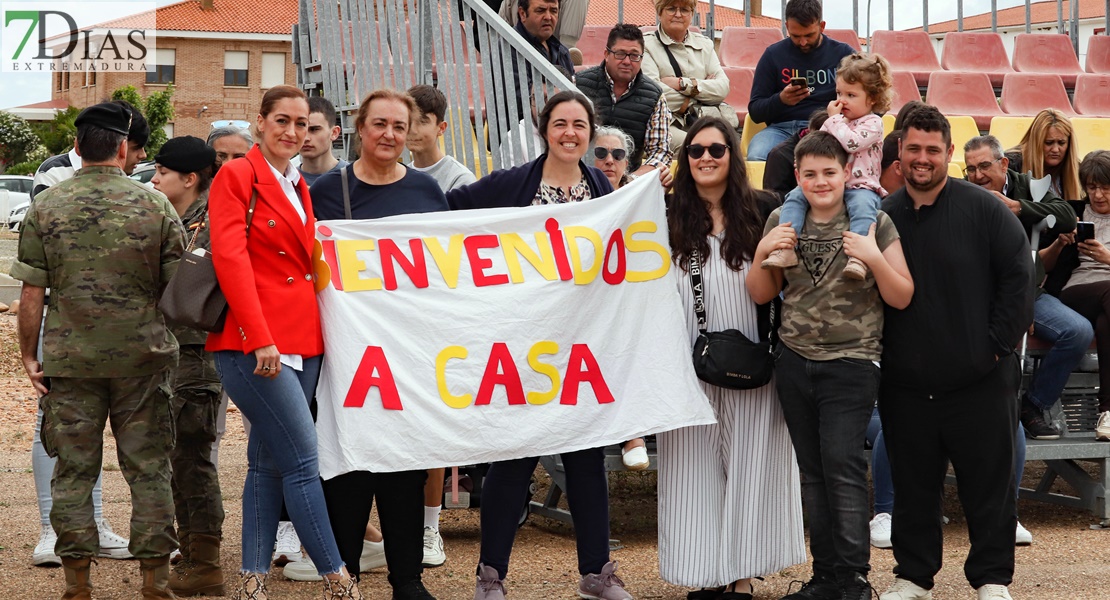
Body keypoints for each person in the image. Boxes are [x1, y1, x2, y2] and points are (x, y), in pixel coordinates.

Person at [447, 91, 631, 600]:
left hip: (581, 347)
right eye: (560, 123)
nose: (570, 133)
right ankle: (491, 577)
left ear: (590, 133)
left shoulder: (604, 190)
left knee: (587, 459)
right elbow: (451, 211)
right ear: (544, 129)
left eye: (579, 124)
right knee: (513, 458)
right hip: (523, 344)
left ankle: (597, 573)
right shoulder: (514, 184)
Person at [11, 101, 184, 599]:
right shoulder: (154, 205)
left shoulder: (47, 206)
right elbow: (177, 289)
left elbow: (31, 295)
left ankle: (77, 584)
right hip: (144, 359)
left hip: (70, 360)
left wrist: (29, 355)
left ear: (78, 146)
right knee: (149, 467)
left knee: (74, 470)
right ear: (124, 148)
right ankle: (154, 581)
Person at [206, 84, 360, 599]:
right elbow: (231, 261)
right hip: (256, 343)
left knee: (266, 463)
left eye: (302, 123)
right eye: (282, 121)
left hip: (304, 340)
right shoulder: (237, 175)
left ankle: (252, 580)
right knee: (302, 461)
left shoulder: (299, 184)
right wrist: (258, 338)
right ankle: (339, 578)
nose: (292, 132)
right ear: (260, 122)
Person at [748, 131, 913, 600]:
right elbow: (760, 293)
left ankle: (855, 579)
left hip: (853, 360)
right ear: (797, 176)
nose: (821, 182)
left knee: (840, 464)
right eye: (810, 174)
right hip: (795, 361)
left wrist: (874, 258)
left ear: (846, 174)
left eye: (829, 172)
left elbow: (902, 294)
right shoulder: (784, 219)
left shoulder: (872, 221)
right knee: (812, 471)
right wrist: (764, 251)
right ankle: (825, 577)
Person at [876, 106, 1033, 600]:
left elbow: (1019, 281)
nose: (922, 159)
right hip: (906, 384)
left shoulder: (985, 209)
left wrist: (994, 349)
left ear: (949, 154)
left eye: (932, 150)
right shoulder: (884, 216)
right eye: (913, 149)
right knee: (914, 486)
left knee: (989, 487)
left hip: (982, 378)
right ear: (899, 153)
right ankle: (913, 576)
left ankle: (991, 579)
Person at [659, 116, 806, 600]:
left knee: (751, 463)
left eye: (716, 150)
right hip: (687, 362)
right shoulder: (665, 216)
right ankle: (705, 572)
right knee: (691, 467)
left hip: (753, 358)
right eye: (695, 150)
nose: (705, 157)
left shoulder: (762, 209)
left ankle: (741, 574)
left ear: (733, 157)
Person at [309, 88, 444, 600]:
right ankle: (345, 578)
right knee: (346, 462)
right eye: (380, 124)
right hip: (344, 352)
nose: (390, 134)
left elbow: (444, 268)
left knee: (405, 464)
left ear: (410, 133)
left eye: (399, 126)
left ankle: (406, 580)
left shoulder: (428, 193)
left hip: (406, 351)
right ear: (360, 128)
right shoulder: (325, 191)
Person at [23, 99, 149, 568]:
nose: (135, 159)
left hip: (115, 327)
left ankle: (93, 524)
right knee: (54, 427)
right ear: (117, 144)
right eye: (133, 148)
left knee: (97, 431)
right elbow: (43, 265)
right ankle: (48, 529)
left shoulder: (130, 187)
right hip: (64, 323)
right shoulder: (54, 175)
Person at [963, 134, 1088, 441]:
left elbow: (1067, 217)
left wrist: (1019, 207)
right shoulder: (959, 193)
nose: (977, 176)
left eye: (983, 167)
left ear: (1003, 164)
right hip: (977, 297)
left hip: (1029, 291)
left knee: (1078, 331)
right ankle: (972, 416)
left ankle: (1032, 405)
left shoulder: (1028, 186)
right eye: (970, 169)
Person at [150, 136, 228, 597]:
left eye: (162, 173)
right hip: (175, 354)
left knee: (192, 458)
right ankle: (193, 549)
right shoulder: (181, 219)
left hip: (197, 356)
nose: (155, 179)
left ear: (190, 178)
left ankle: (206, 562)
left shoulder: (213, 223)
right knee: (178, 457)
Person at [762, 52, 892, 281]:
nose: (842, 100)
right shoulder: (836, 122)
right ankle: (785, 247)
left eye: (851, 95)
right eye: (839, 93)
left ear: (871, 98)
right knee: (794, 197)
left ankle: (859, 258)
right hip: (831, 184)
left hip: (861, 186)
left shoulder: (874, 123)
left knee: (863, 209)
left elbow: (851, 142)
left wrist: (833, 120)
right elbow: (817, 148)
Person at [1046, 150, 1110, 442]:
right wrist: (1062, 243)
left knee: (1106, 324)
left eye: (1105, 187)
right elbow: (1046, 266)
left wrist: (1107, 258)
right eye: (1092, 186)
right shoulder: (1072, 211)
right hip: (1077, 291)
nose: (1097, 195)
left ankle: (1107, 412)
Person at [746, 0, 854, 162]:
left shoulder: (843, 54)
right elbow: (755, 111)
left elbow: (870, 94)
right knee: (757, 156)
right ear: (787, 26)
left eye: (809, 35)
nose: (803, 42)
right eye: (795, 36)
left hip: (827, 127)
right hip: (780, 129)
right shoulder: (773, 55)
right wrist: (781, 100)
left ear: (822, 26)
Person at [575, 24, 673, 175]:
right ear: (606, 54)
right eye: (620, 54)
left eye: (634, 55)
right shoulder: (577, 85)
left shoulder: (655, 96)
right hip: (581, 177)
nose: (627, 61)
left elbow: (660, 152)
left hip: (629, 183)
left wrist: (630, 182)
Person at [641, 0, 733, 152]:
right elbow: (653, 94)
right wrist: (701, 93)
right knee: (696, 147)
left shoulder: (705, 45)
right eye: (671, 9)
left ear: (691, 14)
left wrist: (682, 84)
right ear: (659, 12)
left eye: (684, 10)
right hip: (662, 123)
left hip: (701, 120)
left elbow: (722, 88)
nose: (678, 14)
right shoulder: (646, 45)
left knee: (727, 145)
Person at [31, 100, 150, 199]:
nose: (143, 155)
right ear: (121, 147)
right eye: (136, 148)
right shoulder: (53, 173)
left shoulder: (129, 182)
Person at [406, 84, 478, 193]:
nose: (413, 130)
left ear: (441, 128)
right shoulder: (398, 176)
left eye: (423, 122)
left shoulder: (460, 179)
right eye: (408, 121)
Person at [1006, 108, 1082, 201]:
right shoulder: (1010, 165)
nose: (1055, 149)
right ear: (1036, 142)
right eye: (1049, 142)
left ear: (1069, 144)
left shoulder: (1078, 169)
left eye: (1061, 143)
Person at [763, 109, 828, 198]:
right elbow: (775, 199)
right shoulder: (780, 155)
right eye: (809, 174)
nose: (821, 182)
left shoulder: (848, 149)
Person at [509, 0, 573, 79]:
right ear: (522, 14)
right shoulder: (509, 49)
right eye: (540, 11)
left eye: (553, 11)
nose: (548, 17)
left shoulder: (562, 52)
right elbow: (519, 90)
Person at [299, 97, 347, 186]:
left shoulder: (354, 178)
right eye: (301, 128)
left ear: (334, 133)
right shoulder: (285, 181)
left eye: (314, 129)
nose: (306, 138)